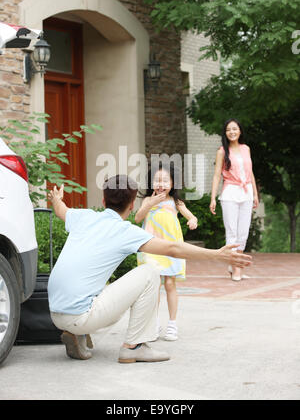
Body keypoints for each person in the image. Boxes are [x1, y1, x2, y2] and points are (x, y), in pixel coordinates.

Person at [48, 174, 251, 363]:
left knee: (98, 281)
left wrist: (57, 197)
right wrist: (217, 255)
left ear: (103, 201)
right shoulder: (125, 231)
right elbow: (172, 247)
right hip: (80, 316)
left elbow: (60, 209)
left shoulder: (84, 217)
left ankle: (77, 334)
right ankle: (134, 347)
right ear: (131, 206)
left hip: (54, 313)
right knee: (151, 271)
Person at [135, 162, 198, 342]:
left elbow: (191, 215)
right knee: (153, 287)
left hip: (171, 248)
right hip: (151, 247)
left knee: (170, 284)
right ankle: (153, 324)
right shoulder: (147, 200)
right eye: (157, 180)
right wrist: (151, 203)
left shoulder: (175, 202)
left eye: (165, 180)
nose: (161, 184)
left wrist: (193, 221)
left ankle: (172, 324)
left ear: (172, 183)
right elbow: (138, 217)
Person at [209, 119, 259, 281]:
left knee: (243, 232)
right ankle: (237, 269)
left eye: (235, 129)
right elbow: (217, 175)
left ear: (240, 131)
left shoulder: (246, 149)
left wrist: (256, 194)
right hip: (230, 192)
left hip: (246, 192)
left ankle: (235, 265)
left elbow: (250, 173)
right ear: (225, 133)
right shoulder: (222, 151)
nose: (232, 132)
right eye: (228, 130)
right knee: (232, 231)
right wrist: (213, 198)